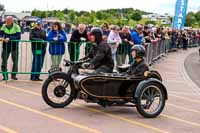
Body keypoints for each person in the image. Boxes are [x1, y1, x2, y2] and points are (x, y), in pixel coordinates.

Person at [0, 16, 21, 80]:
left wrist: (9, 38)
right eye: (6, 21)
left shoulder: (16, 26)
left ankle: (13, 75)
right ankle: (5, 76)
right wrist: (1, 37)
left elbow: (18, 37)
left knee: (15, 62)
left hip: (14, 47)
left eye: (8, 21)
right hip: (5, 47)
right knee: (4, 62)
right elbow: (0, 34)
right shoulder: (3, 26)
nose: (7, 22)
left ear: (11, 21)